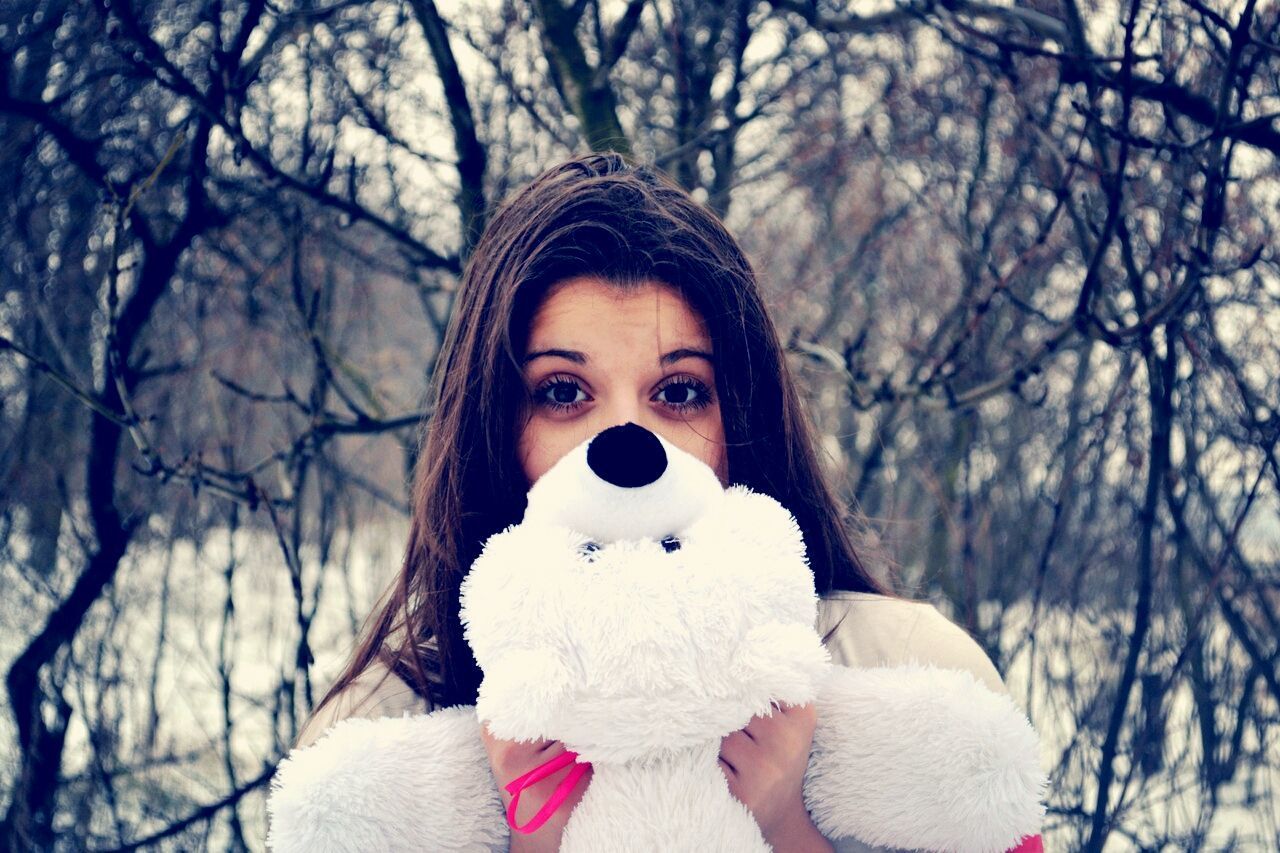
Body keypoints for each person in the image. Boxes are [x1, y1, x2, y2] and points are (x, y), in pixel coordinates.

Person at [293, 152, 1010, 852]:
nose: (628, 444)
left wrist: (788, 827)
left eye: (678, 391)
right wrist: (535, 844)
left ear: (740, 421)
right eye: (564, 392)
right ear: (496, 430)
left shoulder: (909, 676)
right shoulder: (380, 741)